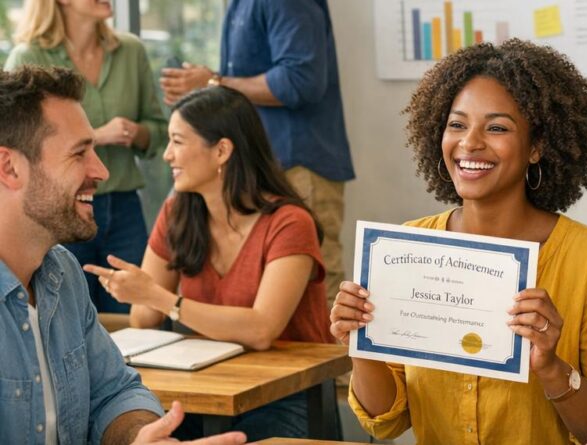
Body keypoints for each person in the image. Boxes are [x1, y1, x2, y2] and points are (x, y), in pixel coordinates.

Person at [330, 39, 587, 445]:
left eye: (497, 127)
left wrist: (551, 368)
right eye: (457, 124)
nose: (470, 143)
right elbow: (386, 421)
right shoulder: (406, 250)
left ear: (537, 147)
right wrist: (363, 344)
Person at [0, 65, 246, 445]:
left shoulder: (62, 271)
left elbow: (114, 393)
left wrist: (141, 437)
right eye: (79, 153)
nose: (100, 171)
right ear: (9, 167)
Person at [84, 86, 335, 441]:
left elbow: (261, 329)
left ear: (222, 150)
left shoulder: (290, 222)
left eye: (178, 141)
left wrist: (162, 298)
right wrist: (143, 293)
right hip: (206, 387)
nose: (167, 155)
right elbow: (144, 318)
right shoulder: (177, 213)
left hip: (285, 395)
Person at [158, 0, 354, 308]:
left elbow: (301, 81)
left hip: (298, 165)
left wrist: (212, 83)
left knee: (321, 298)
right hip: (262, 166)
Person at [4, 0, 168, 313]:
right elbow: (16, 139)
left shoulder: (131, 51)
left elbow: (158, 129)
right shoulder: (28, 57)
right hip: (57, 205)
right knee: (65, 316)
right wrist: (100, 135)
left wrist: (139, 132)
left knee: (136, 315)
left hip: (124, 208)